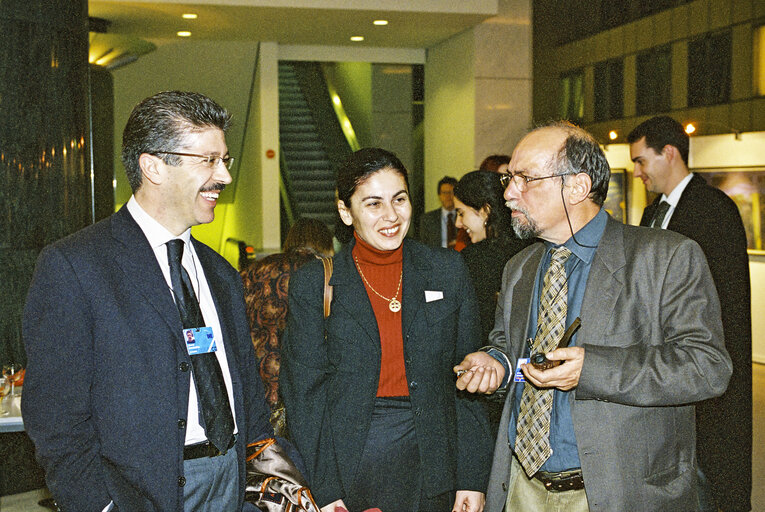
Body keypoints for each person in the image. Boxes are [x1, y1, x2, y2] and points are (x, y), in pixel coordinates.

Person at [454, 121, 732, 512]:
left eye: (525, 179)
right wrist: (496, 364)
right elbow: (510, 347)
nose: (510, 194)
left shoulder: (665, 257)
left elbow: (707, 367)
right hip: (521, 489)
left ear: (578, 187)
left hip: (614, 491)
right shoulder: (520, 267)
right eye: (509, 180)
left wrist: (591, 369)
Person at [22, 91, 280, 511]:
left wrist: (258, 486)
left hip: (231, 486)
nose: (225, 177)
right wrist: (101, 505)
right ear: (153, 166)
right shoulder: (75, 266)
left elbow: (248, 392)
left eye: (224, 160)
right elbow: (56, 418)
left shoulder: (222, 274)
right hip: (138, 495)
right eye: (208, 161)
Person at [281, 148, 492, 512]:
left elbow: (468, 379)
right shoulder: (315, 284)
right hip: (354, 467)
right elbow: (305, 397)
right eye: (373, 204)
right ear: (346, 212)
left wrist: (472, 477)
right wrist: (327, 490)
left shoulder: (447, 270)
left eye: (399, 199)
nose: (391, 216)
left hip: (435, 465)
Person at [628, 115, 752, 512]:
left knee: (715, 473)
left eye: (641, 161)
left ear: (669, 153)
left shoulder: (714, 209)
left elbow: (727, 297)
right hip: (666, 362)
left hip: (706, 364)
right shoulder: (653, 212)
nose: (637, 172)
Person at [241, 217, 334, 437]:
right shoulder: (325, 274)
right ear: (325, 243)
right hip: (304, 391)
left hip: (255, 384)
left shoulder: (253, 271)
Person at [453, 170, 531, 341]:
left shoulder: (473, 259)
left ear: (485, 211)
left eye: (461, 213)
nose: (458, 223)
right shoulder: (531, 249)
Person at [418, 176, 458, 248]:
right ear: (439, 195)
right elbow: (423, 247)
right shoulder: (427, 219)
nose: (448, 196)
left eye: (451, 192)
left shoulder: (463, 218)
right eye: (444, 193)